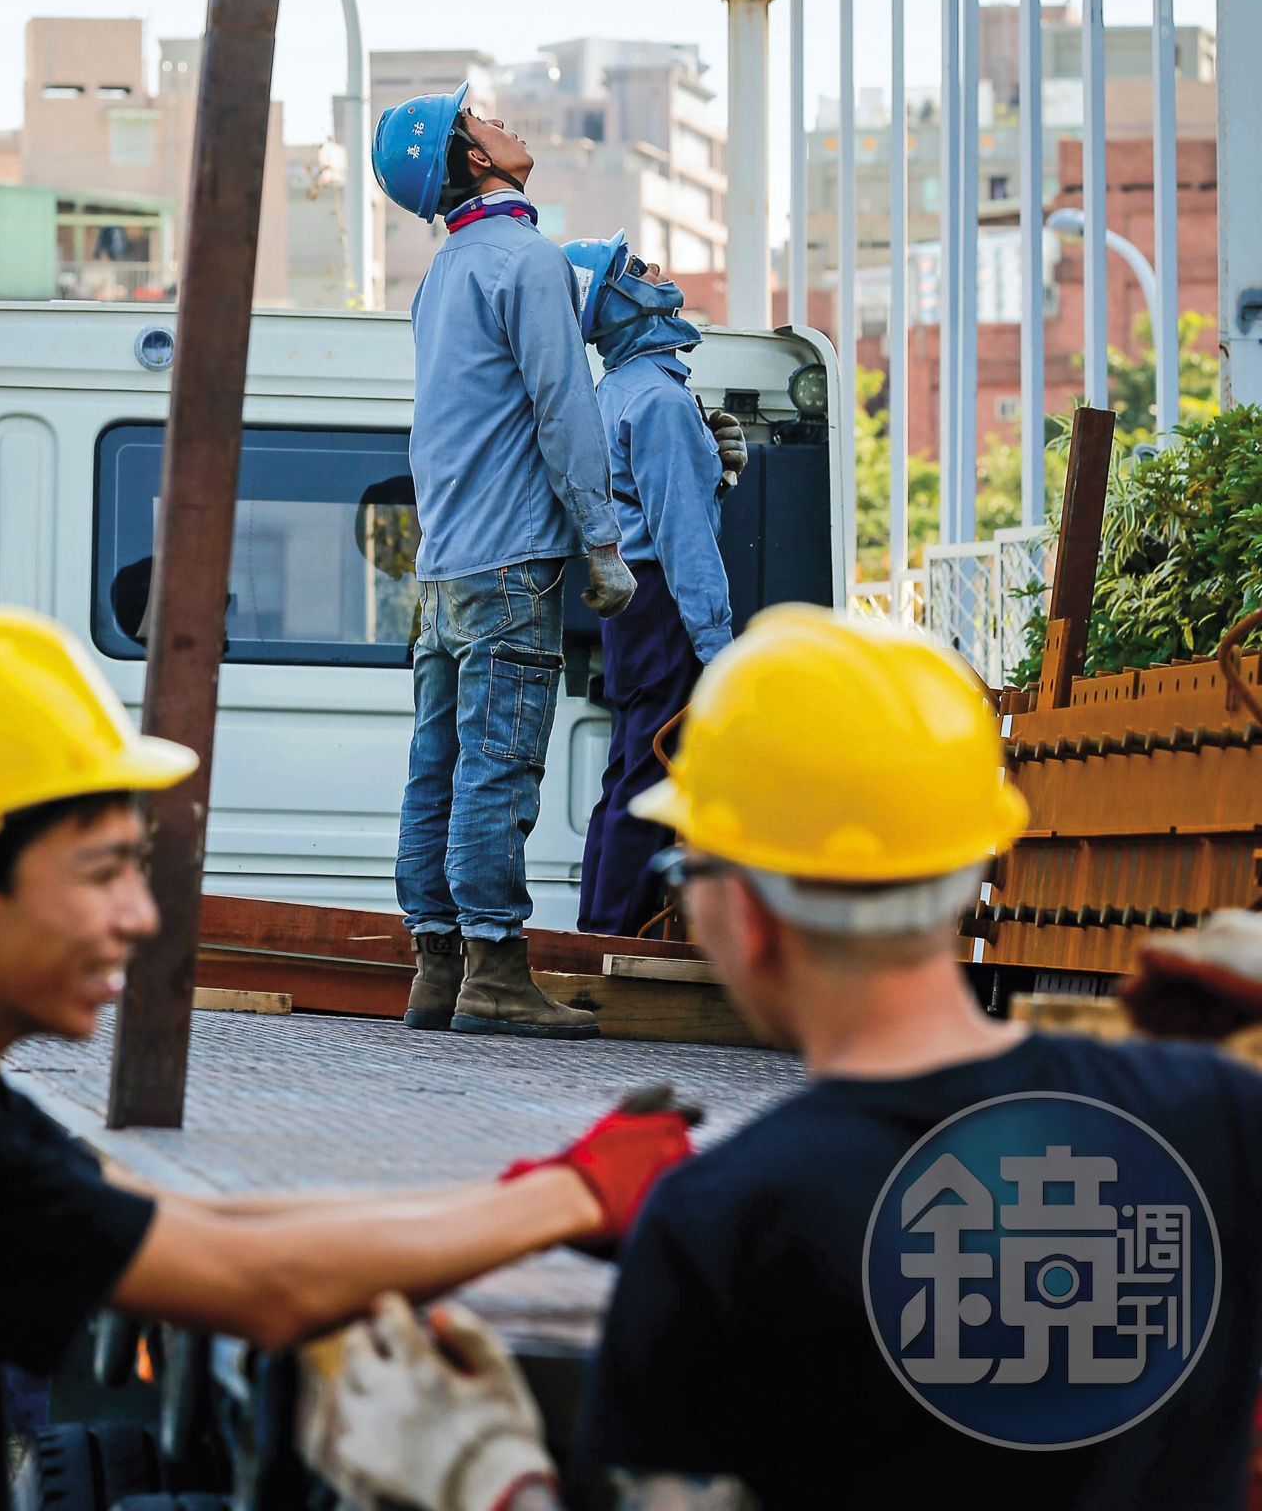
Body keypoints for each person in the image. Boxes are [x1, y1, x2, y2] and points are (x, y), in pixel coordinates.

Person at [0, 606, 697, 1511]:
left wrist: (520, 1194)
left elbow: (208, 1227)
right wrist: (570, 1198)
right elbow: (257, 1286)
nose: (139, 917)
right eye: (103, 873)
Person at [303, 609, 1262, 1511]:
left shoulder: (727, 1225)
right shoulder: (1217, 1113)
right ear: (971, 868)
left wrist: (487, 1477)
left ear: (749, 916)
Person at [373, 85, 635, 1039]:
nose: (503, 123)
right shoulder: (527, 264)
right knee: (498, 765)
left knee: (435, 767)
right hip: (511, 562)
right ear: (471, 160)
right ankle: (495, 974)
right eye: (480, 119)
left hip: (441, 568)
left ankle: (435, 970)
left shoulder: (444, 275)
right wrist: (602, 544)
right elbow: (566, 413)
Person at [562, 233, 745, 934]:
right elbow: (683, 536)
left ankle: (598, 929)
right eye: (635, 269)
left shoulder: (615, 392)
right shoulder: (659, 402)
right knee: (653, 776)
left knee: (631, 770)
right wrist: (715, 644)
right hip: (664, 603)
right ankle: (613, 940)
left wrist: (717, 477)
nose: (656, 271)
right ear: (615, 303)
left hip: (632, 607)